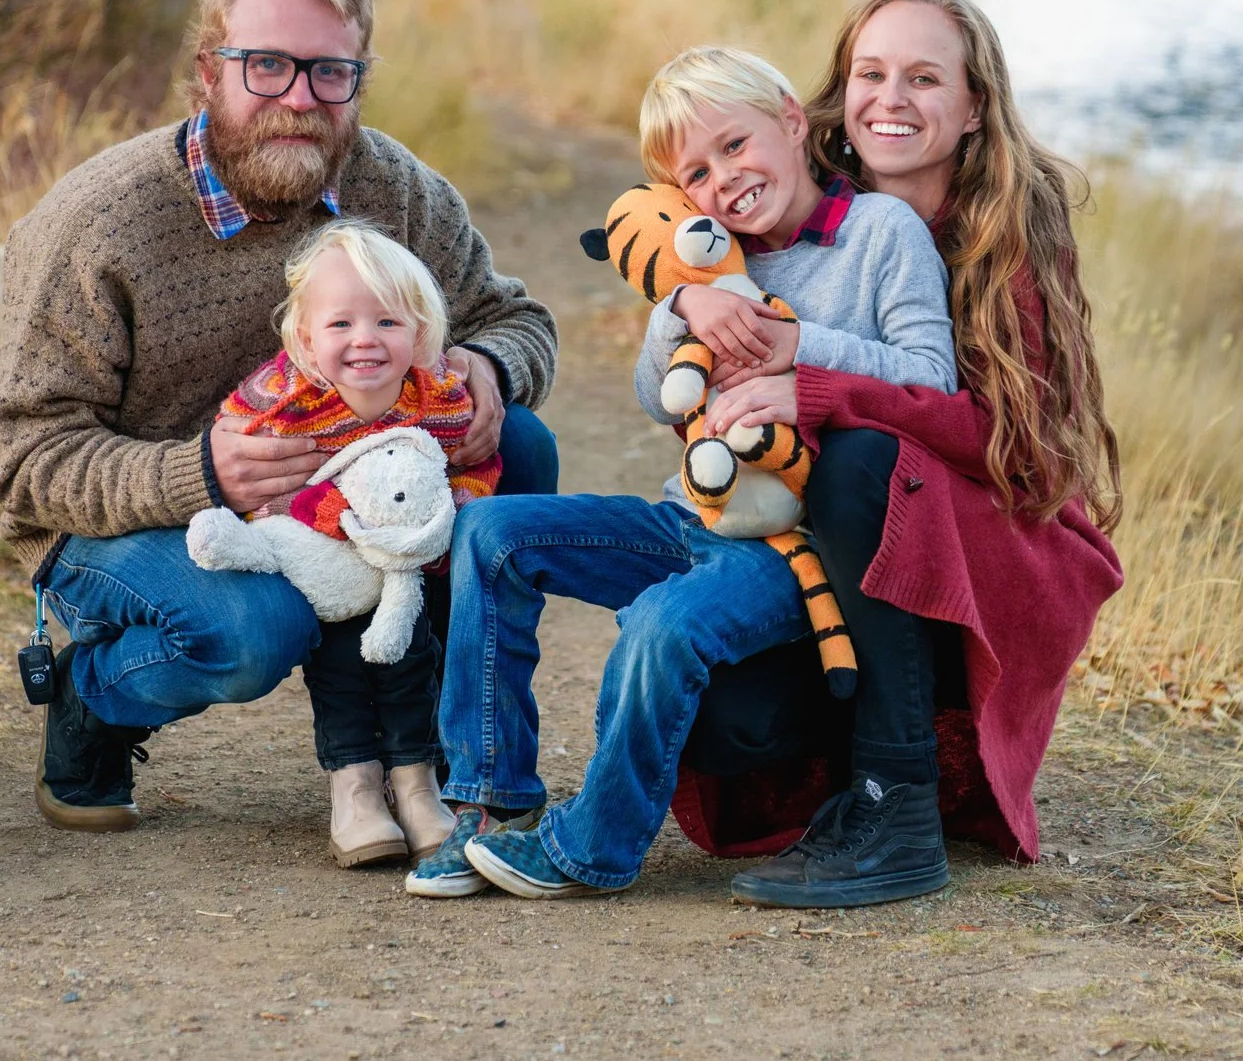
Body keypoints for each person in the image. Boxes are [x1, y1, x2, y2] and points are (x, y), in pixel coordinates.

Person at [0, 0, 559, 833]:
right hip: (130, 520)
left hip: (343, 484)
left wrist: (489, 367)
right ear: (208, 70)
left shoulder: (395, 189)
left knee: (519, 444)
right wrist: (200, 473)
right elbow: (24, 465)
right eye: (268, 67)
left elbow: (515, 319)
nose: (300, 98)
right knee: (259, 629)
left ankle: (442, 739)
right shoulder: (98, 223)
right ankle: (93, 695)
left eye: (330, 72)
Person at [407, 47, 956, 899]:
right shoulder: (710, 256)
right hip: (687, 520)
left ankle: (594, 845)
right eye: (695, 172)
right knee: (491, 530)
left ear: (788, 116)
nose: (724, 180)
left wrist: (798, 354)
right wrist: (682, 303)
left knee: (664, 624)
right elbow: (655, 398)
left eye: (736, 145)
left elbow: (931, 378)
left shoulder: (882, 233)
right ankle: (488, 800)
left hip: (790, 547)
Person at [687, 0, 1126, 908]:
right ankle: (844, 785)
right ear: (839, 93)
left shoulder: (1004, 233)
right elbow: (660, 216)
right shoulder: (785, 198)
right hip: (820, 545)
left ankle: (898, 808)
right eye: (871, 73)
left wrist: (819, 386)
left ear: (973, 110)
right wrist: (692, 298)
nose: (891, 98)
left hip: (990, 539)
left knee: (865, 458)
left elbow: (1021, 452)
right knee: (733, 731)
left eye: (925, 79)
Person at [205, 221, 500, 868]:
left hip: (400, 567)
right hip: (323, 563)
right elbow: (234, 449)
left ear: (421, 333)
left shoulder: (438, 401)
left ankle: (416, 781)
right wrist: (299, 518)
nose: (364, 339)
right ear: (306, 340)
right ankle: (356, 783)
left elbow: (467, 464)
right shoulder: (286, 399)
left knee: (410, 661)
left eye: (388, 323)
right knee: (340, 667)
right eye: (340, 325)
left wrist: (463, 505)